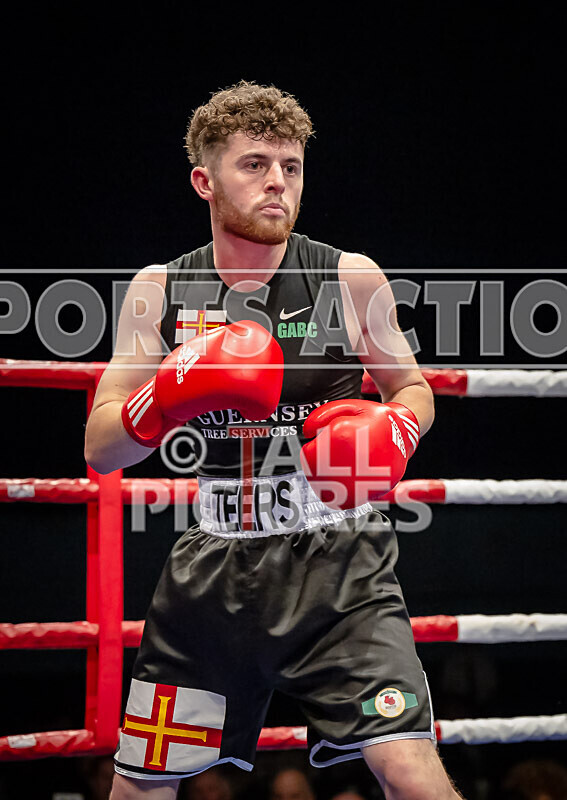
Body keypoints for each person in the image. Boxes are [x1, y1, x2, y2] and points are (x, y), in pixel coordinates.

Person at [85, 80, 463, 799]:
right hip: (211, 577)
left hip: (342, 564)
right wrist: (163, 397)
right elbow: (101, 447)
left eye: (290, 167)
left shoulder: (349, 278)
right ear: (205, 180)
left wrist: (392, 429)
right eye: (254, 164)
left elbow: (411, 390)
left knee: (407, 765)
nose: (276, 184)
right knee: (138, 788)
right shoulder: (159, 290)